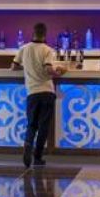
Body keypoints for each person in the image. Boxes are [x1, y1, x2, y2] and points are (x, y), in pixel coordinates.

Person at [11, 22, 65, 167]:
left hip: (32, 92)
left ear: (33, 33)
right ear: (45, 34)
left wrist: (27, 68)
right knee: (43, 126)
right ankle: (38, 157)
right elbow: (48, 69)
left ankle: (28, 144)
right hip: (46, 92)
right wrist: (58, 72)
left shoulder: (24, 49)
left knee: (32, 124)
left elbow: (13, 67)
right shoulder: (47, 50)